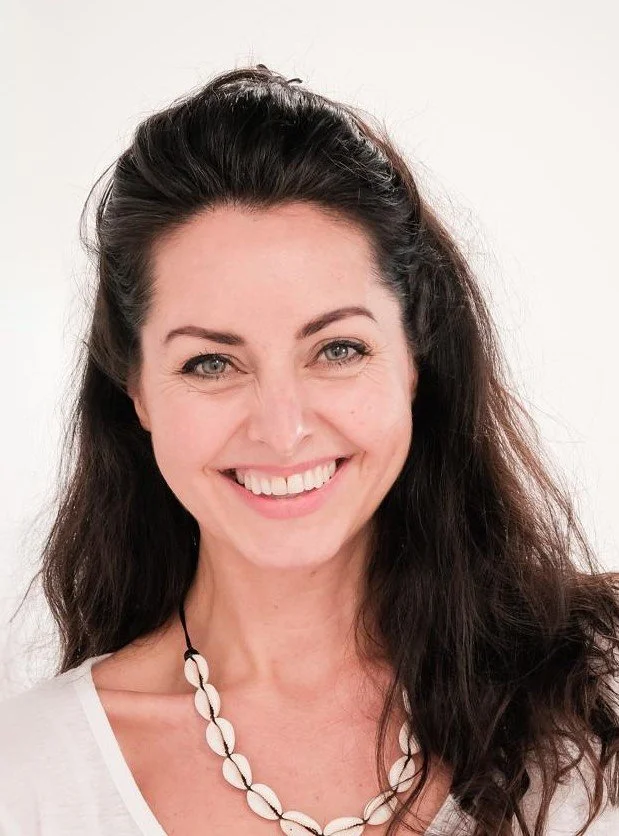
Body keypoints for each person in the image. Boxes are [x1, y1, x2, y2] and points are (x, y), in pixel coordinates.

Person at [1, 63, 618, 836]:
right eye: (210, 363)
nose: (282, 428)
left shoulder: (600, 689)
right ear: (137, 393)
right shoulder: (26, 780)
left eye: (336, 349)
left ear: (415, 361)